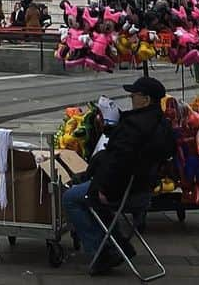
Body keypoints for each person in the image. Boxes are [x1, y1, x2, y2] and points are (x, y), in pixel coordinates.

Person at [62, 76, 174, 274]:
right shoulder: (161, 124)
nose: (131, 97)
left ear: (146, 99)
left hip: (121, 191)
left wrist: (102, 188)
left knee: (71, 197)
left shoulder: (135, 126)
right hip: (143, 191)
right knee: (90, 196)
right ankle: (119, 244)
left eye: (134, 95)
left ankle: (103, 250)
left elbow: (118, 162)